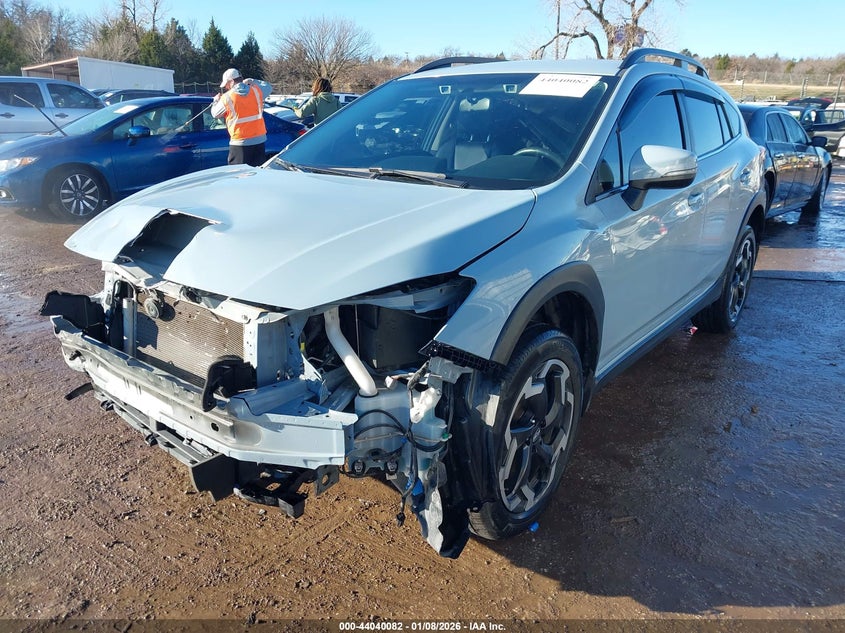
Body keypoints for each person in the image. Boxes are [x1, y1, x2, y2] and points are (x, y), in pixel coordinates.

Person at [211, 68, 273, 166]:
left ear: (231, 82)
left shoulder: (227, 97)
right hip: (259, 141)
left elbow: (215, 114)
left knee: (238, 175)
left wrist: (215, 101)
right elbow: (268, 87)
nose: (226, 87)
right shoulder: (256, 91)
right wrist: (252, 80)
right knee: (257, 174)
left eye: (226, 84)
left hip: (240, 142)